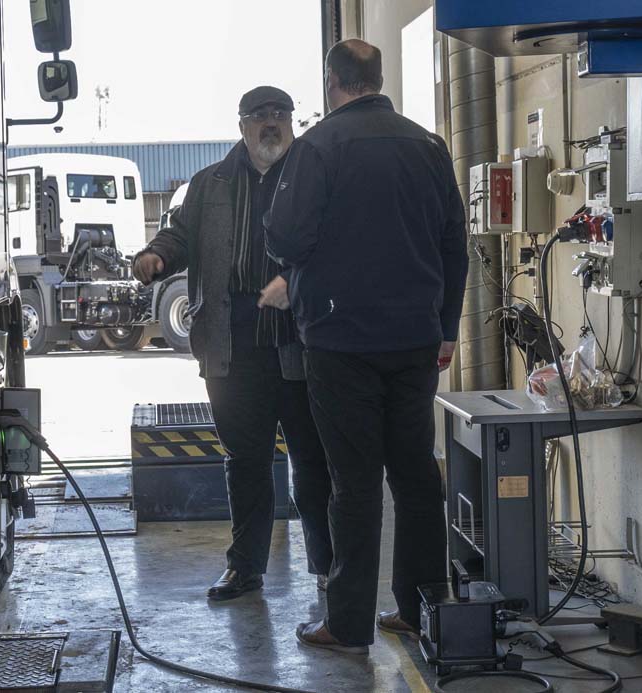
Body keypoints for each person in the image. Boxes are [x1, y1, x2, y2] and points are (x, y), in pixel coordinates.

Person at [265, 40, 469, 654]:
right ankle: (422, 608)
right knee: (414, 474)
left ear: (333, 82)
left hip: (340, 341)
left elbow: (284, 240)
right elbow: (454, 244)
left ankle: (348, 625)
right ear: (378, 80)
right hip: (415, 339)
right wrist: (448, 327)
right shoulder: (428, 147)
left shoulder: (318, 148)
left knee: (352, 484)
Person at [133, 86, 333, 601]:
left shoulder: (313, 176)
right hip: (232, 349)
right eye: (260, 116)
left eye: (280, 115)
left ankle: (326, 567)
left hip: (298, 346)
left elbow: (336, 243)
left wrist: (298, 282)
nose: (272, 123)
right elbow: (179, 237)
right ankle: (246, 568)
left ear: (292, 122)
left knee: (311, 461)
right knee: (245, 462)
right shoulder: (210, 184)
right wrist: (156, 256)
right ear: (241, 125)